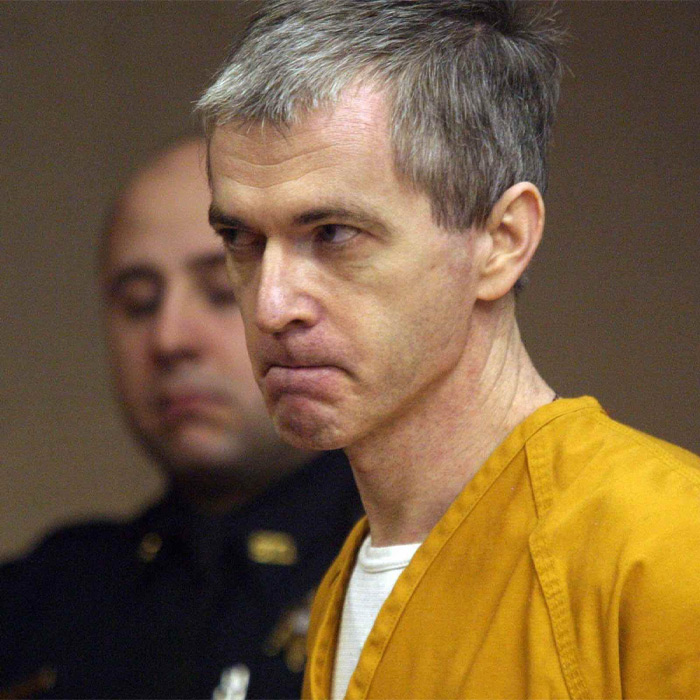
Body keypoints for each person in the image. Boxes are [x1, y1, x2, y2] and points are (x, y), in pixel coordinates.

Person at [196, 1, 700, 698]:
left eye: (334, 234)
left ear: (502, 242)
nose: (269, 305)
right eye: (241, 239)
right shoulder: (347, 579)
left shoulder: (669, 548)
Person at [0, 137, 362, 699]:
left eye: (221, 291)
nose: (168, 339)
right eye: (139, 303)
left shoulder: (410, 566)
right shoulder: (45, 597)